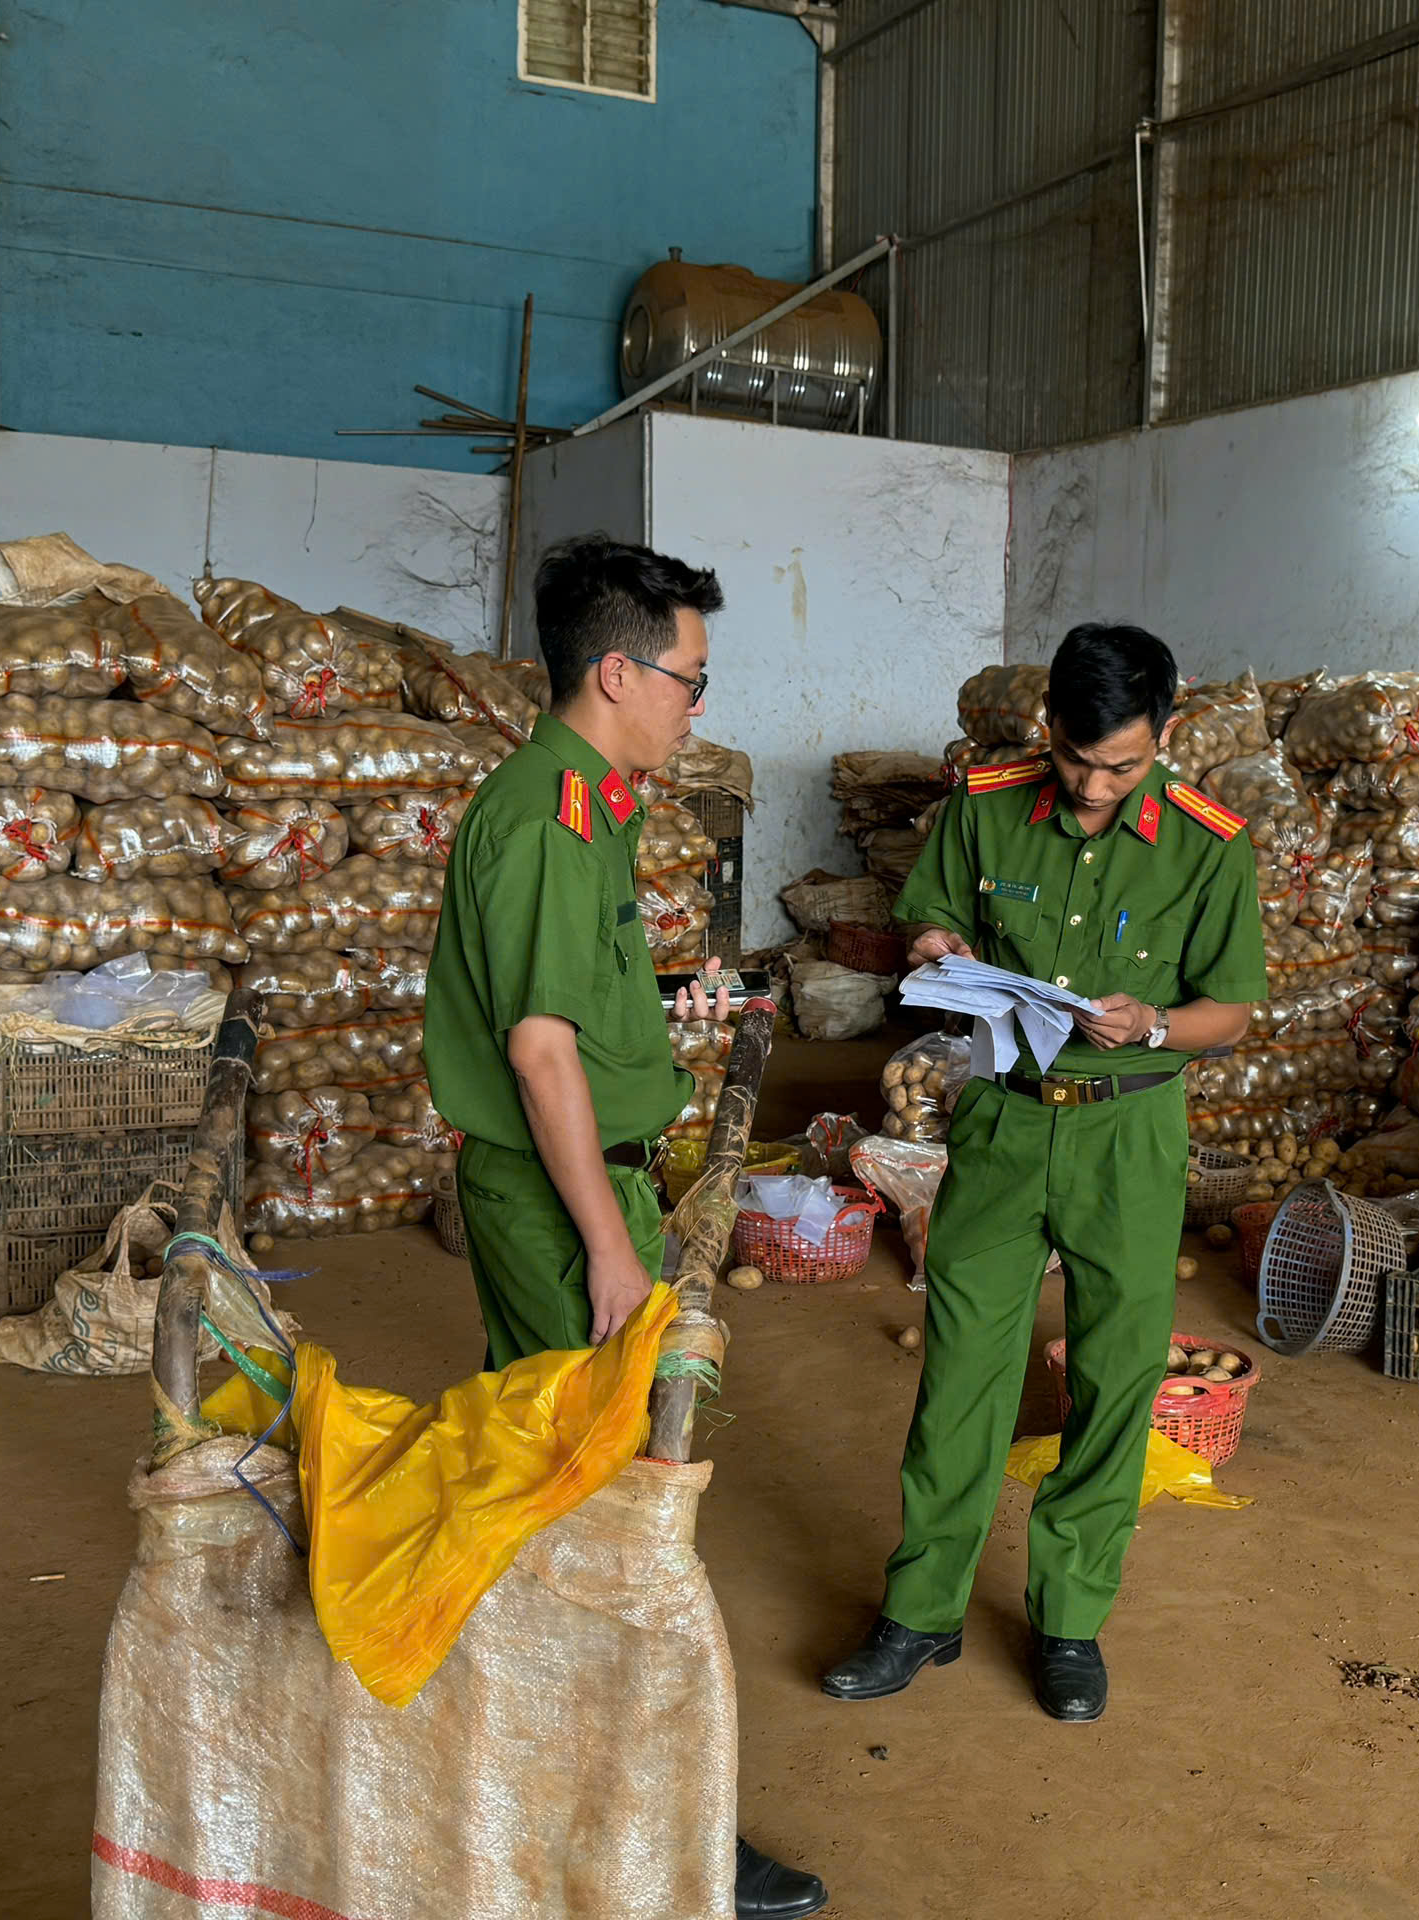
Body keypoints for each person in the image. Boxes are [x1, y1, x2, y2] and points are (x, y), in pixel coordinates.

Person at [424, 533, 826, 1920]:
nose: (697, 705)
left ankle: (570, 1777)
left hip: (593, 1181)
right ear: (615, 670)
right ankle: (643, 1826)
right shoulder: (546, 818)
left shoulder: (585, 805)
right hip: (559, 1204)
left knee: (577, 1479)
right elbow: (539, 1056)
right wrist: (609, 1243)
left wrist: (660, 1022)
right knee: (604, 1505)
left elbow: (576, 1015)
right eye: (691, 680)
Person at [821, 622, 1267, 1723]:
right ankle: (920, 1611)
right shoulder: (986, 802)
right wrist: (935, 948)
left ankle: (1068, 1623)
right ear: (1047, 732)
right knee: (961, 1374)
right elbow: (928, 909)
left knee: (1115, 1383)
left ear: (1165, 732)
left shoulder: (1210, 846)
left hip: (1129, 1133)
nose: (1091, 785)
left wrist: (1156, 1020)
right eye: (1074, 759)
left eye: (1119, 764)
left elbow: (1232, 1010)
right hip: (1005, 1127)